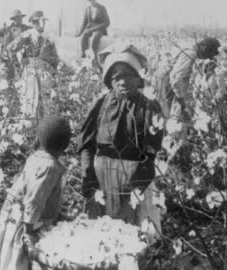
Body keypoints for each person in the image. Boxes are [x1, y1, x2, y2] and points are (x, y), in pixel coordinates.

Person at [78, 43, 164, 239]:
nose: (123, 82)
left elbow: (150, 156)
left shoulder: (149, 107)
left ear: (137, 78)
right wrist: (89, 185)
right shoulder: (100, 104)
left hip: (136, 178)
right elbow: (87, 146)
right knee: (103, 235)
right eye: (117, 77)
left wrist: (133, 195)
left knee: (136, 232)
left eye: (128, 75)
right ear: (109, 81)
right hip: (102, 178)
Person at [0, 116, 71, 270]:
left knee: (9, 259)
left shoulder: (35, 158)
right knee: (24, 261)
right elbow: (35, 199)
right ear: (64, 146)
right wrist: (29, 230)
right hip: (30, 223)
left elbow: (18, 189)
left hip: (18, 216)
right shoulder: (49, 167)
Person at [7, 10, 60, 122]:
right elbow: (11, 48)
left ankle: (45, 129)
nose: (41, 24)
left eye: (43, 22)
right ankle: (29, 130)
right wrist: (18, 65)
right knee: (30, 101)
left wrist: (54, 71)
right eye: (38, 22)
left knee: (47, 102)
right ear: (33, 23)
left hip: (46, 73)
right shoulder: (28, 35)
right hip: (30, 71)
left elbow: (55, 58)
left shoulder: (49, 37)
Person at [153, 37, 221, 122]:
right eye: (208, 55)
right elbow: (175, 78)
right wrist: (182, 102)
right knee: (168, 118)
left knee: (169, 115)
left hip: (167, 82)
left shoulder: (191, 48)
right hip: (167, 84)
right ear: (205, 48)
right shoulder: (191, 53)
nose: (206, 58)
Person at [0, 9, 31, 80]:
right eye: (18, 18)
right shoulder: (7, 29)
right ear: (14, 19)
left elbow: (33, 31)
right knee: (10, 78)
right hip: (8, 59)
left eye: (21, 18)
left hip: (21, 57)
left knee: (21, 77)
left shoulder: (25, 28)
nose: (20, 19)